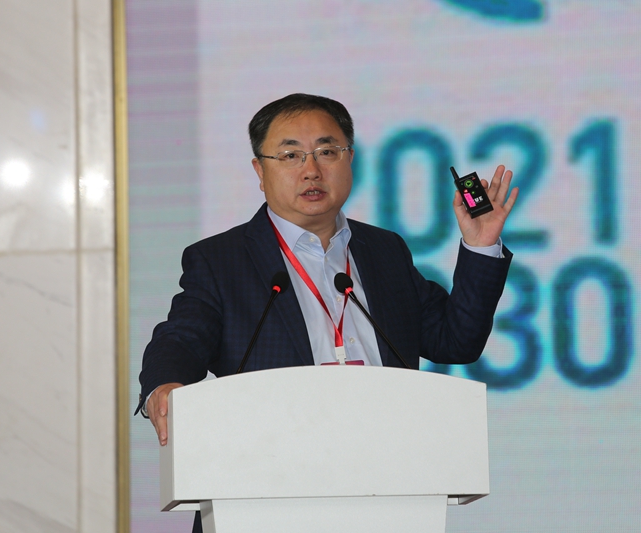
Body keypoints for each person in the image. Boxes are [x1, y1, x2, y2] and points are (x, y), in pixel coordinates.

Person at [138, 93, 518, 444]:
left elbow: (455, 341)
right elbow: (181, 340)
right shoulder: (221, 261)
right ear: (260, 171)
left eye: (327, 152)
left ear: (350, 159)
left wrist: (481, 245)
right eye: (290, 156)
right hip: (270, 467)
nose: (311, 171)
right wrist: (164, 385)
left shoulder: (384, 250)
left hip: (389, 461)